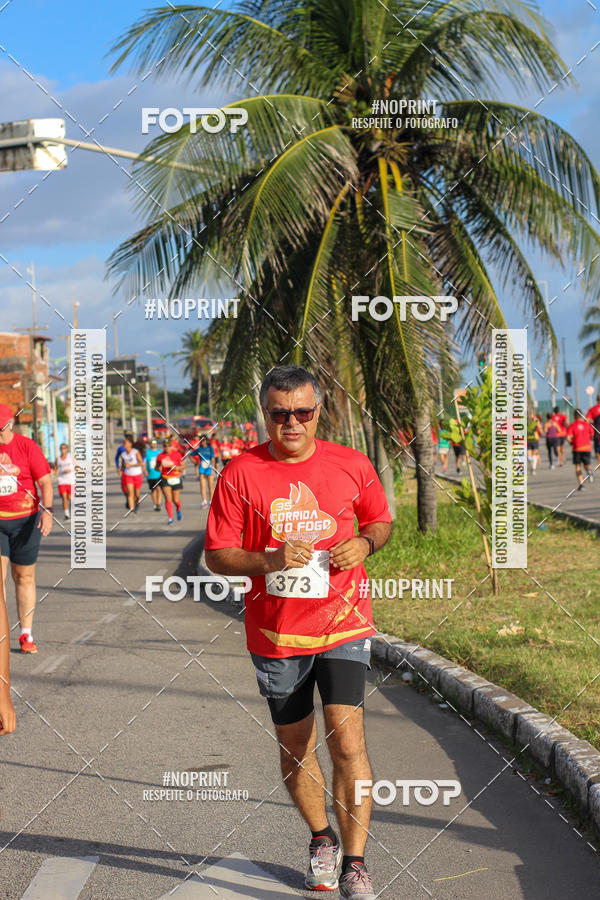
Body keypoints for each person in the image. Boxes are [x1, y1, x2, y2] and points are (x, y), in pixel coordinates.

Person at [205, 366, 392, 899]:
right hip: (277, 634)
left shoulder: (351, 465)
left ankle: (354, 861)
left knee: (347, 737)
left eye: (303, 412)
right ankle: (321, 839)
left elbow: (379, 520)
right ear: (265, 414)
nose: (292, 423)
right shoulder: (241, 472)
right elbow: (217, 555)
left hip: (344, 621)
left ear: (318, 413)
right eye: (279, 413)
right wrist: (267, 558)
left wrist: (366, 545)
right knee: (295, 745)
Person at [0, 404, 53, 655]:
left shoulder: (27, 446)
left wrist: (48, 510)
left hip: (26, 520)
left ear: (10, 424)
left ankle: (26, 633)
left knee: (24, 577)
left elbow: (44, 480)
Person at [156, 437, 185, 524]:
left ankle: (178, 509)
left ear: (171, 446)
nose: (167, 447)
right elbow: (157, 468)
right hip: (165, 478)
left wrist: (177, 467)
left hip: (175, 478)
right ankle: (170, 518)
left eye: (168, 446)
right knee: (168, 498)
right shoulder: (160, 456)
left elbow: (183, 466)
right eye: (165, 446)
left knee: (176, 500)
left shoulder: (177, 454)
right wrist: (159, 468)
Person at [566, 410, 594, 491]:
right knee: (587, 464)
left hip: (577, 448)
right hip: (587, 447)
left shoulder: (572, 426)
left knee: (578, 466)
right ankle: (588, 471)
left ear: (574, 416)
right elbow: (592, 435)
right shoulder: (586, 425)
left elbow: (568, 437)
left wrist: (571, 443)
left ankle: (581, 484)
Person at [119, 435, 146, 513]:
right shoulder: (123, 454)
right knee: (130, 493)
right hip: (128, 475)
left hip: (137, 474)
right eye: (124, 442)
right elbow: (123, 464)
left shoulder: (135, 452)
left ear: (130, 444)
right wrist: (121, 468)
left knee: (137, 495)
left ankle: (136, 503)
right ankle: (132, 510)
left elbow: (141, 463)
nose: (124, 444)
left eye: (126, 442)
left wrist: (131, 465)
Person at [191, 435, 216, 508]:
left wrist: (213, 469)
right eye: (201, 440)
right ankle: (204, 502)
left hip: (209, 467)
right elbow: (191, 455)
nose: (203, 442)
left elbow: (213, 459)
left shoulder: (210, 448)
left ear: (206, 441)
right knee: (202, 486)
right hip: (202, 468)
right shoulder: (199, 449)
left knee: (210, 486)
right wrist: (195, 462)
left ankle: (211, 501)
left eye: (204, 440)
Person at [54, 442, 74, 518]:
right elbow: (55, 470)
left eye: (64, 448)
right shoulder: (58, 459)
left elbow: (77, 467)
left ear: (67, 449)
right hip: (62, 480)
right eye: (61, 448)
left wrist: (71, 470)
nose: (63, 450)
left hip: (71, 480)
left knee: (70, 498)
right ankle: (66, 514)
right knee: (64, 497)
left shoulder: (71, 457)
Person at [145, 438, 162, 511]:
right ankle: (155, 504)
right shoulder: (147, 452)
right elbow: (143, 463)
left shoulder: (160, 452)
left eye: (155, 443)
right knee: (153, 490)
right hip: (151, 475)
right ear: (150, 444)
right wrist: (145, 471)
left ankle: (158, 504)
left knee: (159, 489)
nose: (153, 444)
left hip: (159, 474)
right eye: (152, 443)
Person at [586, 392, 600, 468]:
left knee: (597, 450)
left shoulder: (592, 409)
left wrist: (590, 430)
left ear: (596, 399)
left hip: (597, 433)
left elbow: (587, 421)